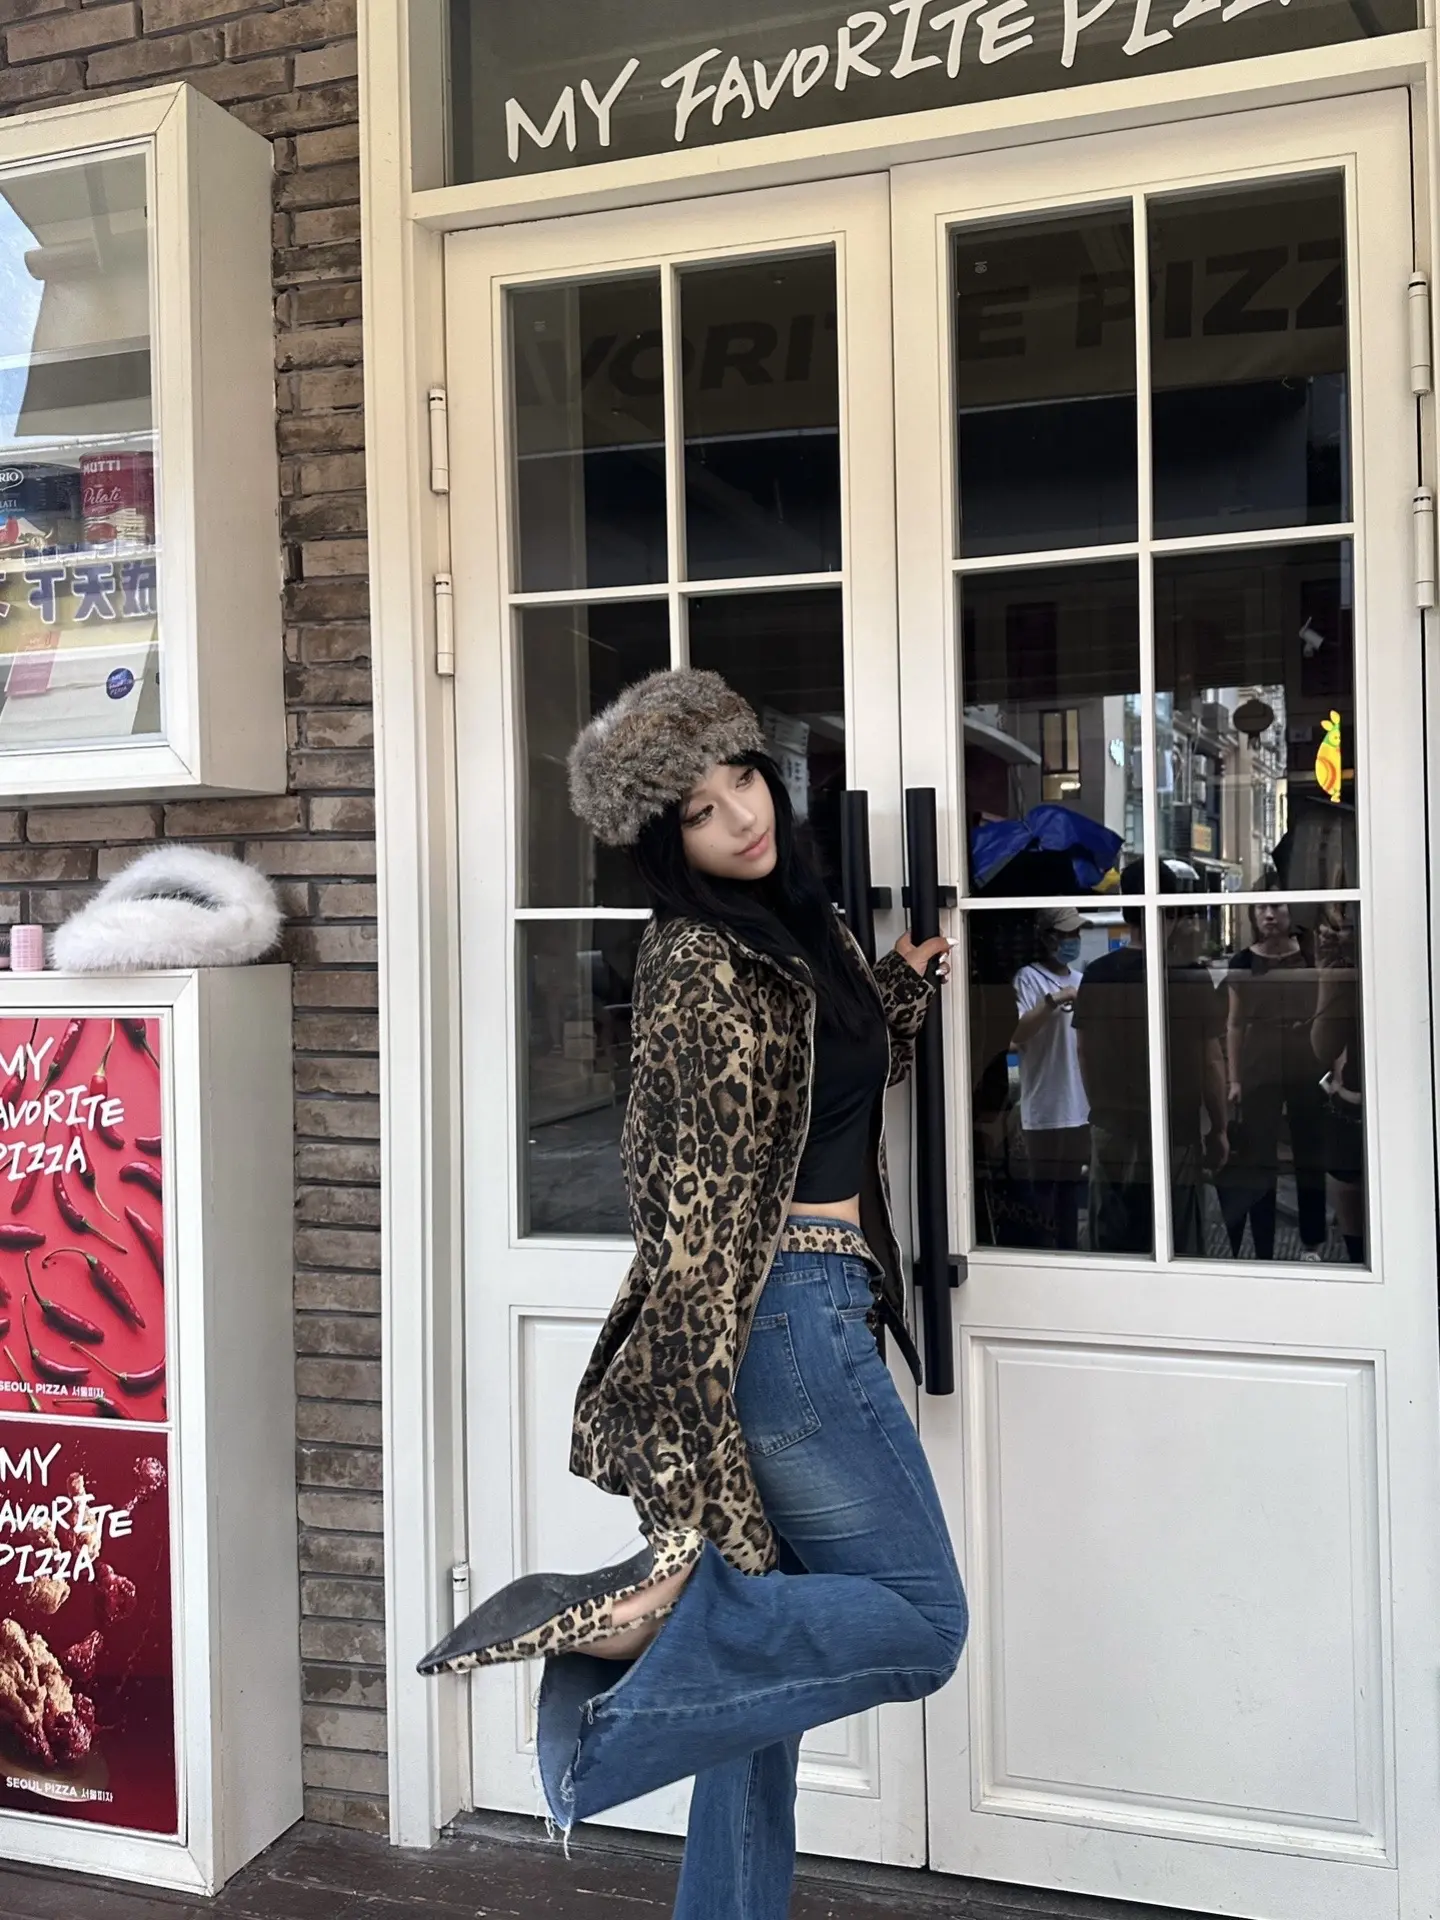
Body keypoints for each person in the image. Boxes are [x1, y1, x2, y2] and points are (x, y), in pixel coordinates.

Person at [418, 670, 967, 1920]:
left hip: (821, 1306)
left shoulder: (799, 926)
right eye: (700, 810)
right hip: (783, 1319)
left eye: (743, 779)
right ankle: (661, 1638)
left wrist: (897, 988)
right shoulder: (694, 965)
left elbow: (818, 1081)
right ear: (665, 844)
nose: (740, 815)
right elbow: (686, 1202)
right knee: (924, 1621)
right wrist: (691, 1412)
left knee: (756, 1721)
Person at [1221, 899, 1328, 1261]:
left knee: (1310, 1153)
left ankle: (1312, 1242)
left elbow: (1329, 1010)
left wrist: (1334, 1065)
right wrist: (1234, 1079)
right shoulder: (1243, 962)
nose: (1269, 915)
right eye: (1261, 908)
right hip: (1260, 1062)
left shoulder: (1310, 953)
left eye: (1277, 906)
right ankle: (1263, 1245)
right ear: (1252, 914)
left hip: (1306, 1057)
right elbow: (1235, 1023)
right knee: (1259, 1157)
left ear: (1290, 910)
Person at [1011, 907, 1089, 1249]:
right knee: (1043, 1193)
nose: (1074, 940)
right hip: (1044, 1106)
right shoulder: (1028, 979)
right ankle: (1042, 1255)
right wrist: (1052, 1001)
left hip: (1080, 1106)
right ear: (1047, 938)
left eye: (1077, 934)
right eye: (1066, 934)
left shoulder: (1081, 980)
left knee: (1070, 1192)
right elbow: (1018, 1033)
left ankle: (1070, 1254)